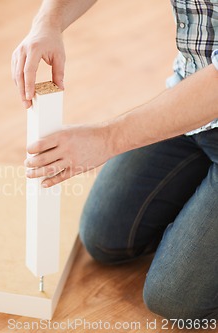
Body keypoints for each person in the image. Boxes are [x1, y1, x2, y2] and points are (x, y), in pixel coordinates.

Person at [12, 0, 218, 320]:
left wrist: (108, 138)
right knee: (105, 239)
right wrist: (48, 22)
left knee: (175, 299)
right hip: (191, 104)